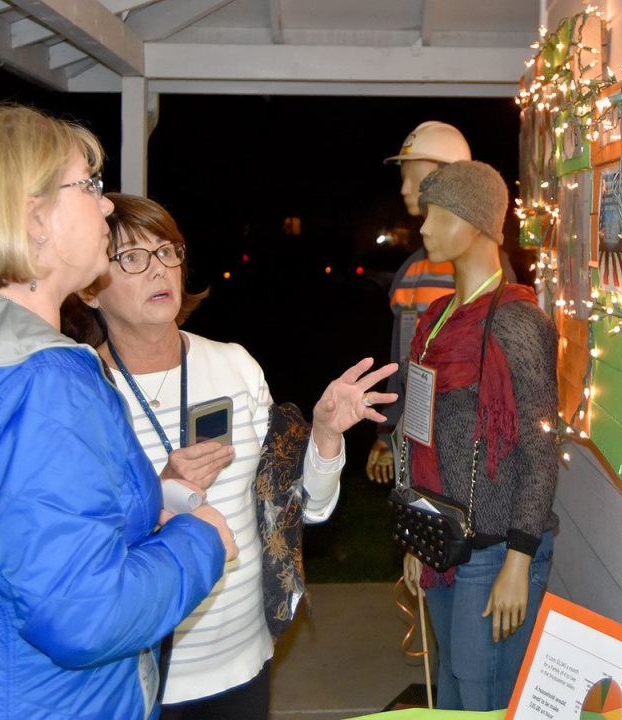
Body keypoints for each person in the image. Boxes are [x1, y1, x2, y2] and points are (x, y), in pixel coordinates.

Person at [0, 105, 237, 720]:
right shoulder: (42, 386)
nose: (108, 205)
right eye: (87, 185)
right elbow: (85, 615)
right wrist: (200, 541)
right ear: (34, 220)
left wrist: (142, 502)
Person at [67, 193, 397, 720]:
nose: (160, 270)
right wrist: (162, 490)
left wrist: (327, 435)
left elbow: (301, 507)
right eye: (132, 258)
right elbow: (66, 548)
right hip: (136, 671)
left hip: (243, 658)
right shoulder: (75, 387)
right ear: (88, 287)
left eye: (168, 251)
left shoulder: (234, 366)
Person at [400, 161, 558, 711]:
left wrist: (520, 558)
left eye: (439, 214)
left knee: (484, 698)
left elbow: (540, 447)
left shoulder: (517, 323)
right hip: (445, 541)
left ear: (476, 224)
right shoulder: (438, 318)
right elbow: (420, 432)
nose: (423, 227)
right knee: (451, 689)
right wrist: (421, 537)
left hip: (495, 551)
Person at [367, 121, 515, 483]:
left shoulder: (487, 271)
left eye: (414, 176)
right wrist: (389, 431)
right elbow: (404, 361)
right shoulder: (411, 270)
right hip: (420, 445)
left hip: (469, 456)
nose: (404, 189)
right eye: (402, 177)